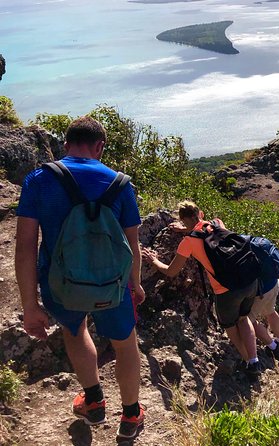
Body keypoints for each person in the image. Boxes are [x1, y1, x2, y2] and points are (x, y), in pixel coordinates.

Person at [15, 117, 146, 439]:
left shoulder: (39, 180)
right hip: (113, 283)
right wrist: (137, 282)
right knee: (125, 344)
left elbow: (25, 247)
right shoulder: (120, 183)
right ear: (100, 146)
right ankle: (130, 416)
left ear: (65, 145)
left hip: (61, 284)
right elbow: (133, 244)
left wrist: (30, 305)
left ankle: (93, 401)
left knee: (75, 330)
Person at [142, 201, 262, 378]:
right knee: (243, 319)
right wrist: (187, 228)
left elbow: (172, 271)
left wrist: (154, 260)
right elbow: (205, 232)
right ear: (200, 213)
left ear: (184, 220)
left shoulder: (188, 242)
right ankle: (254, 360)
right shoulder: (217, 223)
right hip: (249, 281)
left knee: (229, 326)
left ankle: (248, 363)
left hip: (226, 291)